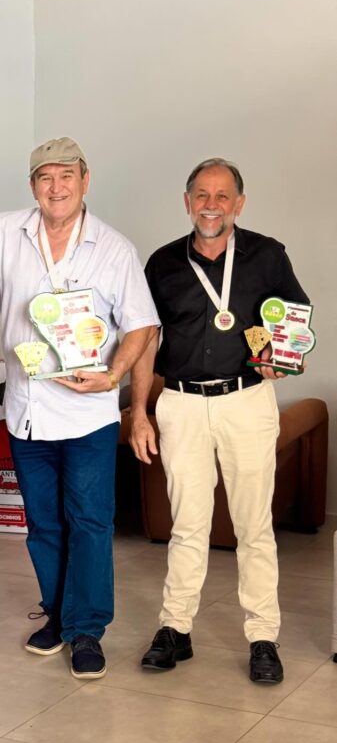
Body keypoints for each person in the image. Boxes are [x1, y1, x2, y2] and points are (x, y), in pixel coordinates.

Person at [0, 138, 159, 679]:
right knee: (44, 525)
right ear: (32, 185)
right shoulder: (3, 232)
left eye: (66, 176)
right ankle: (57, 614)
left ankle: (87, 630)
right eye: (46, 177)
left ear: (85, 180)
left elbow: (142, 324)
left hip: (88, 413)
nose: (57, 187)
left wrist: (114, 376)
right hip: (27, 410)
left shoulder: (113, 248)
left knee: (90, 522)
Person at [129, 157, 309, 684]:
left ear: (240, 203)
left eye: (222, 195)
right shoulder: (163, 263)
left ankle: (263, 636)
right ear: (187, 202)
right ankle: (176, 627)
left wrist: (283, 356)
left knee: (254, 526)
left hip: (246, 400)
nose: (212, 205)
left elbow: (294, 319)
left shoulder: (268, 256)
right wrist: (139, 412)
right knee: (187, 524)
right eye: (202, 196)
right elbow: (145, 340)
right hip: (181, 403)